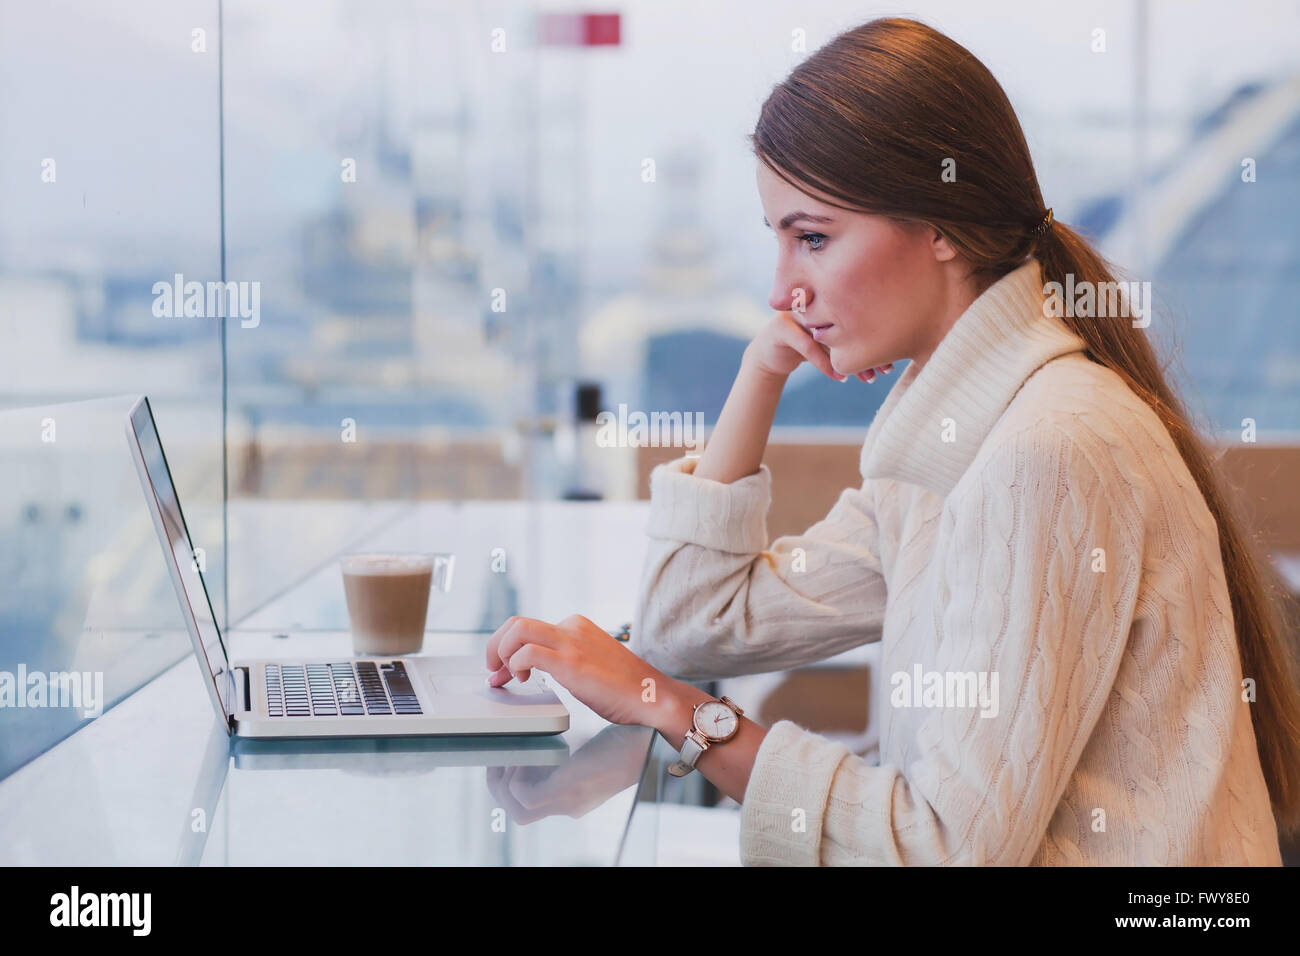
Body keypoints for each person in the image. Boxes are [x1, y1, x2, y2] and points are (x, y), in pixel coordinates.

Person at [484, 16, 1300, 865]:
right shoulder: (951, 448)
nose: (781, 290)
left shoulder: (1048, 449)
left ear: (940, 226)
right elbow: (690, 625)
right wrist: (758, 376)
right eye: (778, 241)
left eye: (812, 239)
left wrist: (672, 710)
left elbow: (944, 847)